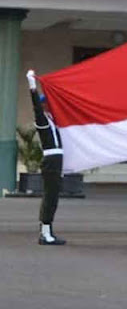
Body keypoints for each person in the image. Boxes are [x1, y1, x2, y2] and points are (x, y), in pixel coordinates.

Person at [26, 70, 66, 246]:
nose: (49, 106)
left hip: (56, 161)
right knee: (50, 196)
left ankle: (47, 231)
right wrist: (32, 86)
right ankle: (46, 233)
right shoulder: (42, 121)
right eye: (46, 104)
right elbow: (36, 106)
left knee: (53, 196)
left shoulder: (52, 120)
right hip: (51, 160)